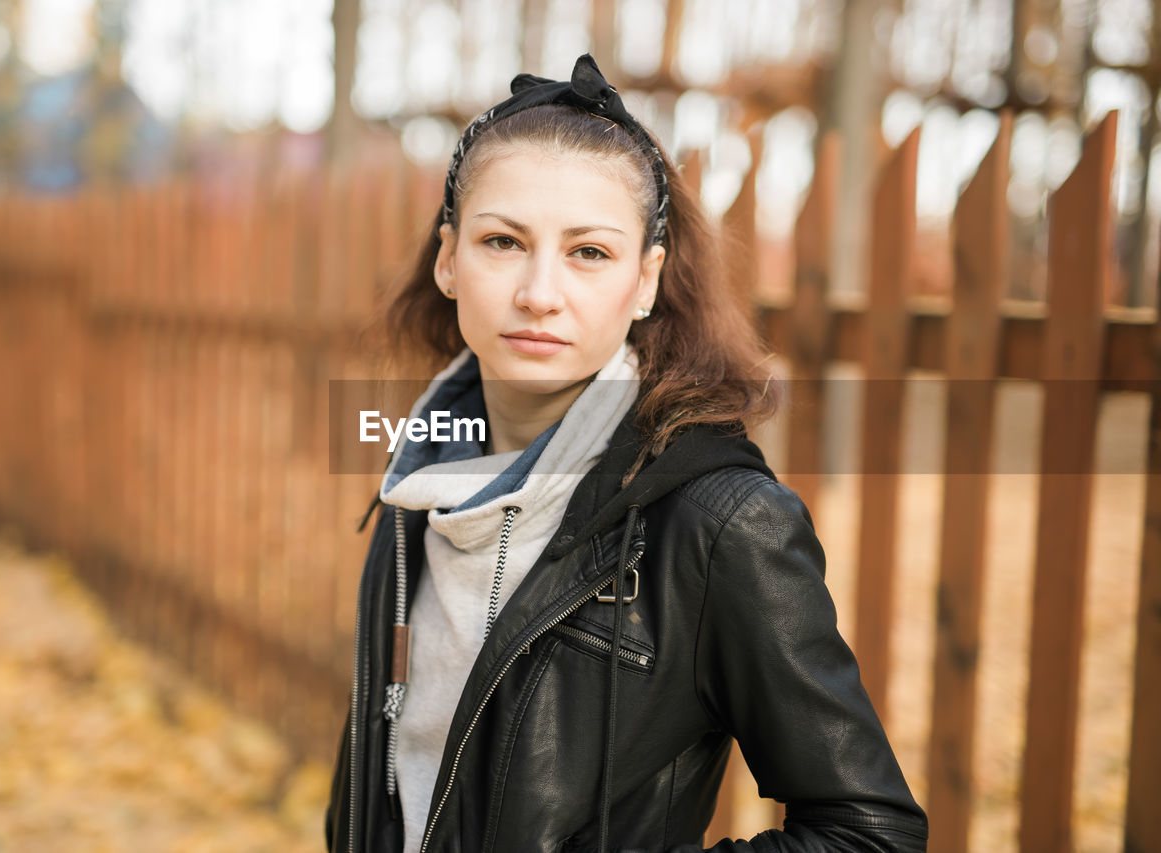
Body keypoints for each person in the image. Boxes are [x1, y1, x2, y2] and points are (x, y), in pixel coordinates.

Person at [326, 54, 928, 853]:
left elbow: (871, 832)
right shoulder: (419, 478)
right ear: (448, 259)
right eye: (503, 241)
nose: (540, 291)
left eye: (589, 253)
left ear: (645, 280)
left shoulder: (721, 523)